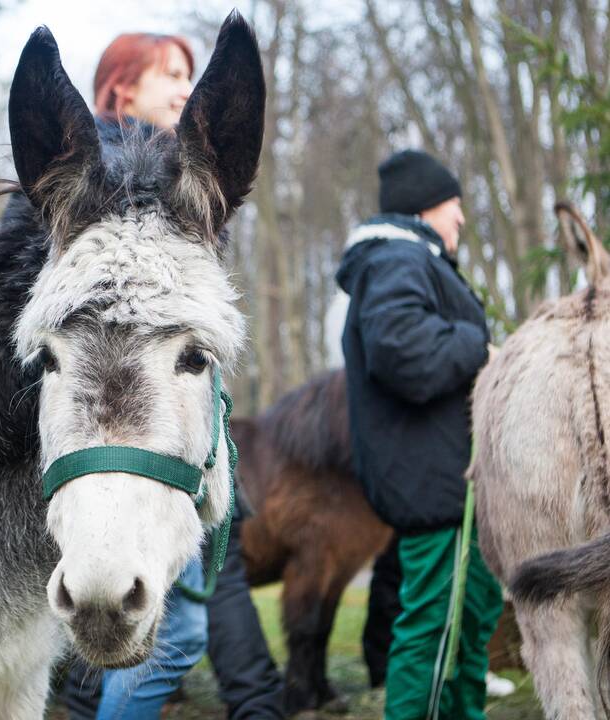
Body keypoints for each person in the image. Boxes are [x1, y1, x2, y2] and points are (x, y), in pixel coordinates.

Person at [59, 32, 285, 720]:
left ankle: (257, 701)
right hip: (132, 458)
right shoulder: (89, 184)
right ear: (123, 88)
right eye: (171, 75)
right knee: (179, 628)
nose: (185, 89)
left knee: (182, 620)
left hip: (184, 445)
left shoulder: (180, 186)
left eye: (193, 75)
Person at [336, 149, 504, 720]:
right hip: (437, 489)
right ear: (425, 208)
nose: (461, 219)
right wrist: (479, 346)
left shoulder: (410, 261)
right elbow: (403, 352)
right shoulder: (399, 259)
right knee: (434, 633)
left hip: (453, 489)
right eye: (454, 206)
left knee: (467, 625)